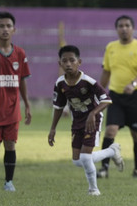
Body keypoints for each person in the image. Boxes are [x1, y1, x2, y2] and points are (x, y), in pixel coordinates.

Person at [48, 45, 125, 195]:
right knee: (77, 161)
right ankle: (111, 151)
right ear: (60, 64)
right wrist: (52, 129)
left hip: (93, 119)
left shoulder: (88, 81)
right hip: (77, 121)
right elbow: (58, 106)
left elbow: (107, 100)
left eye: (72, 60)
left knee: (85, 157)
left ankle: (93, 190)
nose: (68, 64)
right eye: (65, 61)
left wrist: (93, 113)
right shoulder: (60, 84)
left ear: (79, 62)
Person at [0, 11, 32, 191]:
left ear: (14, 29)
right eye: (1, 26)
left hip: (12, 109)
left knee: (10, 144)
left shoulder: (20, 53)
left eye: (8, 26)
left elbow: (22, 80)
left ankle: (8, 182)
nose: (5, 29)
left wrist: (27, 104)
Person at [97, 15, 137, 180]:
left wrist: (133, 84)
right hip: (115, 96)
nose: (124, 28)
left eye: (127, 25)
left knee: (136, 134)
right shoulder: (111, 47)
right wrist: (98, 92)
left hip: (136, 96)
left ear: (132, 28)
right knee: (110, 130)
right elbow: (106, 72)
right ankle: (104, 168)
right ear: (117, 29)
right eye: (120, 26)